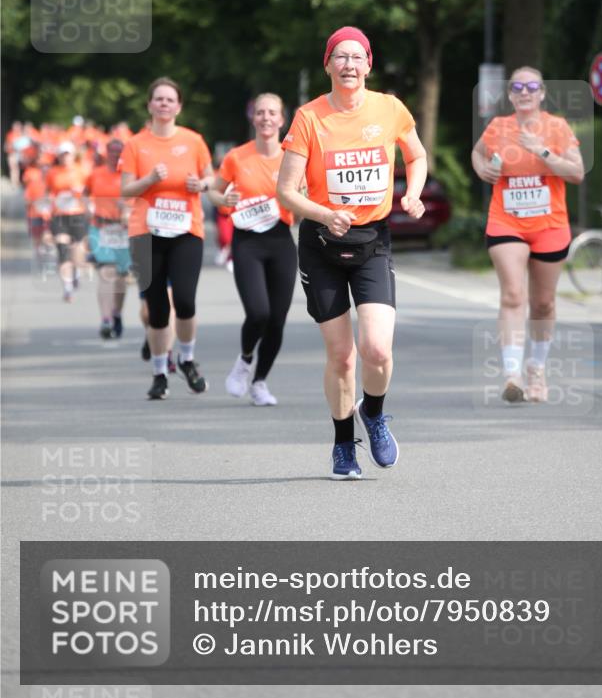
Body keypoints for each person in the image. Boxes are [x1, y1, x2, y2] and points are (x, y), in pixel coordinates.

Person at [277, 26, 427, 479]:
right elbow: (286, 192)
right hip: (322, 243)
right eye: (339, 57)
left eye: (356, 56)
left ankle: (374, 413)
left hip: (373, 239)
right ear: (327, 65)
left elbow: (416, 156)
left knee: (377, 350)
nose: (348, 64)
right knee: (342, 355)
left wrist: (413, 193)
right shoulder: (308, 117)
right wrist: (323, 213)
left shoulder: (390, 108)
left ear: (368, 65)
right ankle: (344, 445)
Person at [471, 66, 584, 403]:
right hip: (507, 222)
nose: (524, 92)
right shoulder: (498, 127)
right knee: (513, 295)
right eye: (517, 87)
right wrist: (485, 170)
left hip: (550, 224)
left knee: (543, 302)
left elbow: (576, 172)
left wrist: (541, 150)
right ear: (509, 94)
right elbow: (477, 153)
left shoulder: (557, 127)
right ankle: (511, 374)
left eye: (531, 86)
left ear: (542, 93)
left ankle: (536, 368)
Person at [120, 78, 214, 400]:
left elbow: (212, 179)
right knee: (157, 308)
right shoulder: (136, 144)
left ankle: (186, 359)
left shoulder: (193, 141)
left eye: (169, 99)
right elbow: (125, 189)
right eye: (158, 99)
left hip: (186, 231)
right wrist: (149, 179)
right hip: (145, 233)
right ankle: (160, 373)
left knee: (185, 299)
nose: (163, 104)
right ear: (149, 105)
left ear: (178, 106)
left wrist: (199, 185)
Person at [209, 94, 297, 407]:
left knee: (277, 319)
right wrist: (223, 201)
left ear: (282, 119)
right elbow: (214, 192)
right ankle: (244, 360)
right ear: (253, 118)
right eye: (260, 113)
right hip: (247, 241)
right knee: (258, 312)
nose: (266, 118)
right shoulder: (237, 156)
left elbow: (303, 195)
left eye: (272, 113)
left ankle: (259, 382)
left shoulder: (292, 156)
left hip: (280, 239)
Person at [85, 139, 131, 339]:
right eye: (112, 150)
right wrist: (87, 207)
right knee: (106, 272)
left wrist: (129, 209)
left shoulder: (129, 176)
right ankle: (105, 319)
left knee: (121, 277)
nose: (115, 154)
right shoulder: (96, 174)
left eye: (119, 151)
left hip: (123, 229)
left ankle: (117, 313)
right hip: (100, 227)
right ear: (106, 153)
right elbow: (85, 193)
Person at [46, 142, 89, 302]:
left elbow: (88, 191)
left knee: (77, 251)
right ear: (59, 156)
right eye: (63, 154)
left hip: (77, 214)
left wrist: (80, 192)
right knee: (62, 248)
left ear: (73, 155)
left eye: (68, 154)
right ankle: (68, 288)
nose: (65, 157)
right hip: (59, 215)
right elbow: (49, 192)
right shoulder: (53, 173)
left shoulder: (82, 170)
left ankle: (76, 272)